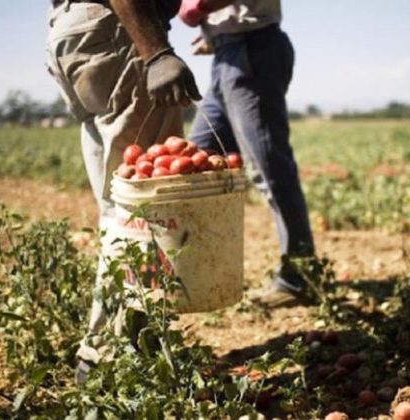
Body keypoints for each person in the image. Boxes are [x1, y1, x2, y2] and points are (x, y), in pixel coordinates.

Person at [46, 0, 201, 382]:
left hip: (74, 33)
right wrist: (157, 52)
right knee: (145, 209)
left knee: (120, 206)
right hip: (118, 30)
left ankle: (123, 350)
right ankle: (110, 357)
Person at [179, 0, 315, 300]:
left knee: (269, 168)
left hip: (252, 49)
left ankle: (299, 278)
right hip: (228, 53)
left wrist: (197, 8)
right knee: (195, 160)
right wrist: (214, 33)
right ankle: (196, 273)